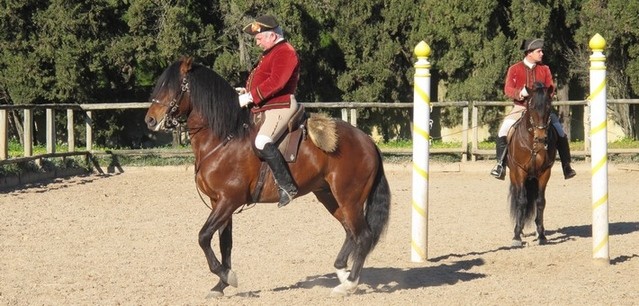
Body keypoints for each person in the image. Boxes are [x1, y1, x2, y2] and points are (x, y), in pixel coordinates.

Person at [490, 38, 576, 180]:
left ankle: (566, 166)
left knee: (560, 133)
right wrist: (519, 93)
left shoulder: (545, 69)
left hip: (541, 110)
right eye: (539, 51)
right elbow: (507, 89)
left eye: (541, 51)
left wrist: (543, 98)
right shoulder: (514, 69)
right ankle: (500, 165)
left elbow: (551, 89)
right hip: (521, 107)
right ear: (529, 53)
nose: (542, 53)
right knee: (503, 131)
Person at [237, 15, 299, 207]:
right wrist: (246, 92)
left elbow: (277, 83)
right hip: (265, 106)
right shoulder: (271, 53)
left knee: (262, 141)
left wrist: (250, 97)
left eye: (259, 37)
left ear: (272, 36)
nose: (256, 42)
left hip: (281, 105)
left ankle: (287, 186)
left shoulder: (285, 52)